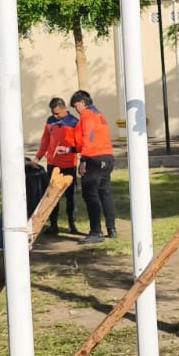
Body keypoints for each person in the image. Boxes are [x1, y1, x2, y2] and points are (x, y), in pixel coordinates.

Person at [71, 90, 117, 245]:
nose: (75, 109)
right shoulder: (99, 115)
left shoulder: (87, 115)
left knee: (90, 195)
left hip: (94, 158)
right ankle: (111, 229)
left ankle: (96, 232)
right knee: (105, 193)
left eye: (75, 105)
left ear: (82, 103)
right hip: (107, 157)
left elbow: (88, 137)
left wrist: (83, 159)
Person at [36, 97, 81, 236]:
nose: (55, 116)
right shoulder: (50, 121)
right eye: (53, 113)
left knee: (70, 196)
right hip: (53, 164)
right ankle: (53, 224)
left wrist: (69, 150)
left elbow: (79, 145)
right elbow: (45, 140)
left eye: (57, 113)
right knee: (52, 195)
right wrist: (38, 156)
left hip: (69, 165)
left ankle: (72, 224)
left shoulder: (74, 122)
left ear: (63, 108)